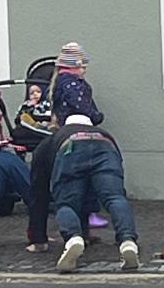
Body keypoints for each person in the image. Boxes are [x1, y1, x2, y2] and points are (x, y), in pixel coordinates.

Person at [28, 115, 139, 272]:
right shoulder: (104, 134)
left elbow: (38, 191)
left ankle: (73, 238)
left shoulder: (54, 138)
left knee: (67, 203)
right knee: (115, 198)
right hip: (106, 148)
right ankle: (127, 241)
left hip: (70, 149)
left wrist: (38, 238)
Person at [48, 42, 109, 229]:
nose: (84, 71)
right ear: (74, 66)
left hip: (66, 131)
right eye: (82, 67)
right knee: (87, 172)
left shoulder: (60, 82)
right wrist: (96, 116)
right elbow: (82, 105)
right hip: (80, 130)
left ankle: (78, 212)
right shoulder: (73, 84)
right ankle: (87, 212)